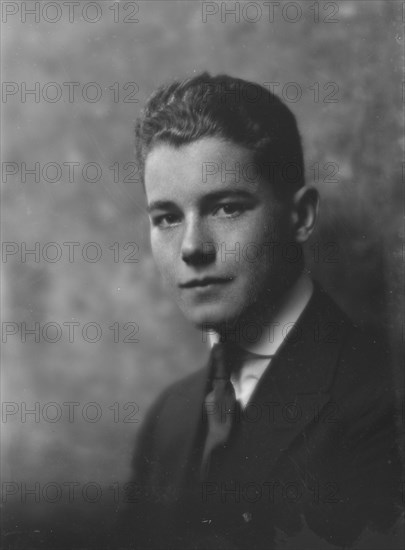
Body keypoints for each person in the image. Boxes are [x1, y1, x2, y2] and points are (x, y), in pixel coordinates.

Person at [117, 73, 402, 549]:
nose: (191, 248)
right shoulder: (170, 418)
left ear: (301, 216)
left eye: (227, 208)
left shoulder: (385, 399)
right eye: (167, 217)